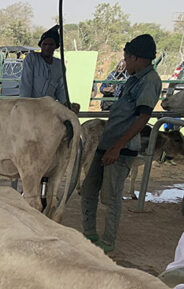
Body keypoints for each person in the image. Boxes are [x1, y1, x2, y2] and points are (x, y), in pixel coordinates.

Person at [81, 34, 161, 254]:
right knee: (88, 190)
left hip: (121, 148)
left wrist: (117, 147)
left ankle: (108, 241)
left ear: (136, 58)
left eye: (126, 58)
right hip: (107, 142)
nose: (124, 63)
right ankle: (89, 234)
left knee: (111, 196)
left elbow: (142, 117)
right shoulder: (133, 80)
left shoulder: (149, 81)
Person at [19, 25, 68, 105]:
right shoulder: (32, 59)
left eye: (51, 44)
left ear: (55, 46)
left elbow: (61, 89)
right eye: (45, 44)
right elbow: (26, 84)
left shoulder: (59, 65)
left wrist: (66, 104)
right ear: (40, 45)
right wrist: (24, 104)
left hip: (48, 107)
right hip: (31, 105)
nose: (47, 47)